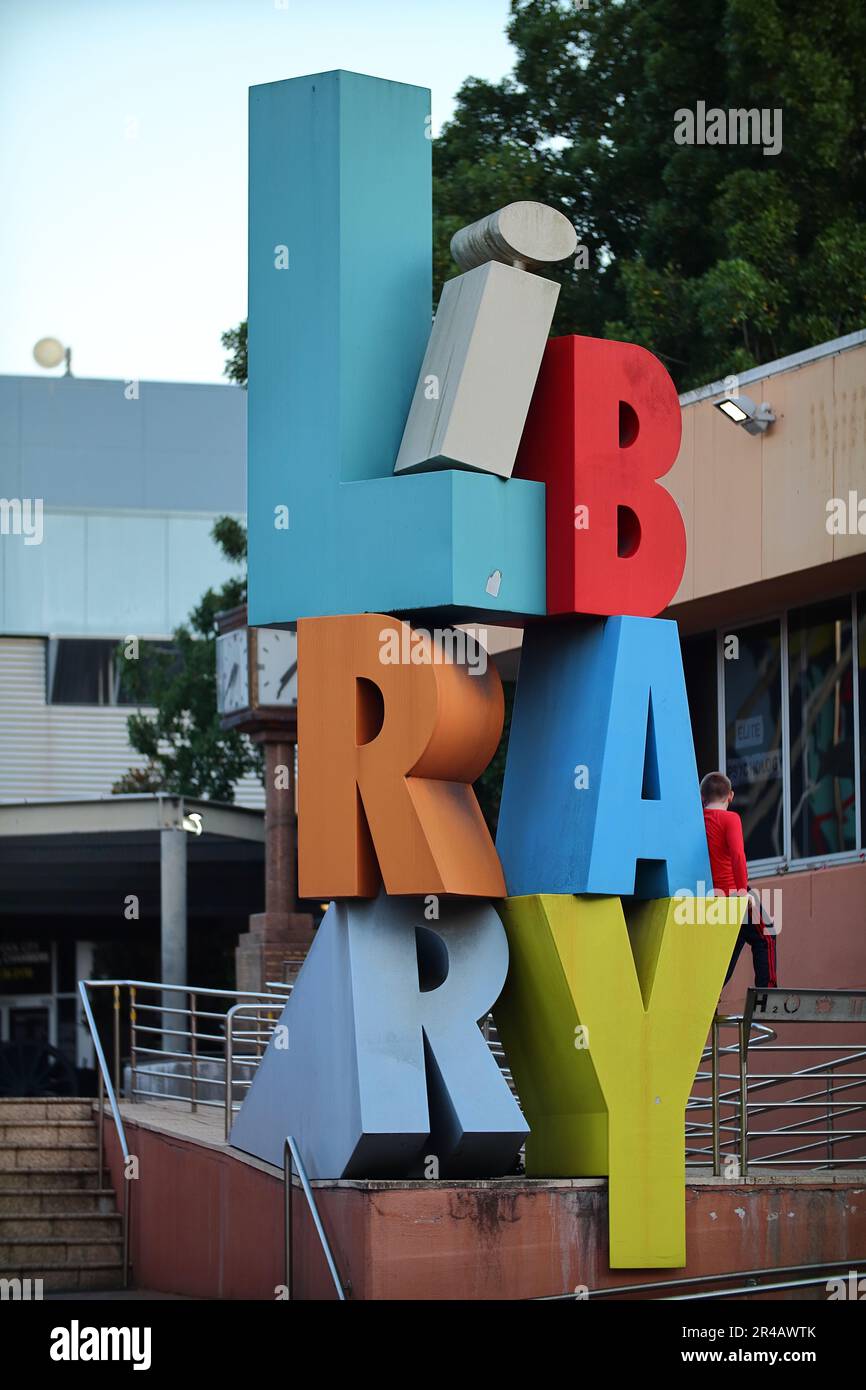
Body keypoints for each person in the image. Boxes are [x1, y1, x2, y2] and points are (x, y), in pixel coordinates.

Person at [701, 771, 777, 989]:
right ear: (731, 796)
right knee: (766, 936)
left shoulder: (697, 822)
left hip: (710, 896)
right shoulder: (730, 818)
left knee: (730, 948)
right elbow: (737, 855)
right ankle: (767, 994)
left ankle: (709, 997)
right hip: (733, 893)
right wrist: (743, 891)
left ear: (702, 797)